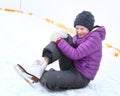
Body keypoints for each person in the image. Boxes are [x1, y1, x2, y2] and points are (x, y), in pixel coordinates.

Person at [17, 11, 106, 90]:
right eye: (77, 28)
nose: (78, 31)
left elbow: (75, 54)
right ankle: (41, 64)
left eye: (82, 29)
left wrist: (59, 40)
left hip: (81, 76)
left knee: (49, 79)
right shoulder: (80, 36)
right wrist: (63, 37)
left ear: (89, 28)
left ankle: (39, 75)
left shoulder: (94, 39)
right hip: (72, 66)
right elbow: (70, 45)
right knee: (66, 38)